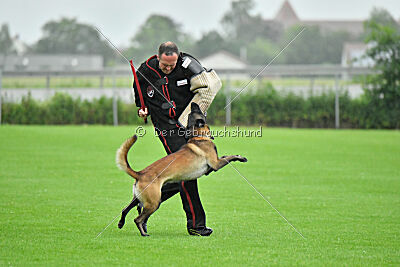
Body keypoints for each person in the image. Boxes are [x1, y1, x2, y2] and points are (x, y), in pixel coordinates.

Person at [132, 41, 221, 236]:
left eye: (172, 66)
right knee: (188, 175)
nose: (168, 69)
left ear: (178, 58)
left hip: (188, 124)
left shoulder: (187, 65)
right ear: (158, 57)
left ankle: (147, 197)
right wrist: (142, 109)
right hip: (166, 127)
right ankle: (196, 226)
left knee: (199, 170)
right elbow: (139, 97)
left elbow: (205, 86)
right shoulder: (144, 71)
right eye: (165, 65)